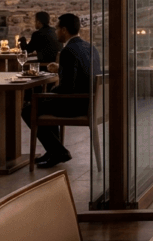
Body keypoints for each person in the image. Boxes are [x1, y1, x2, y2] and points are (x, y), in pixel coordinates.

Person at [21, 13, 101, 168]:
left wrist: (50, 93)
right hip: (90, 102)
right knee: (47, 103)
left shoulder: (68, 51)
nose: (56, 32)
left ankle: (58, 151)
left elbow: (67, 88)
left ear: (64, 30)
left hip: (76, 104)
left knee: (29, 110)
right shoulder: (91, 47)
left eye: (57, 29)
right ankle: (53, 151)